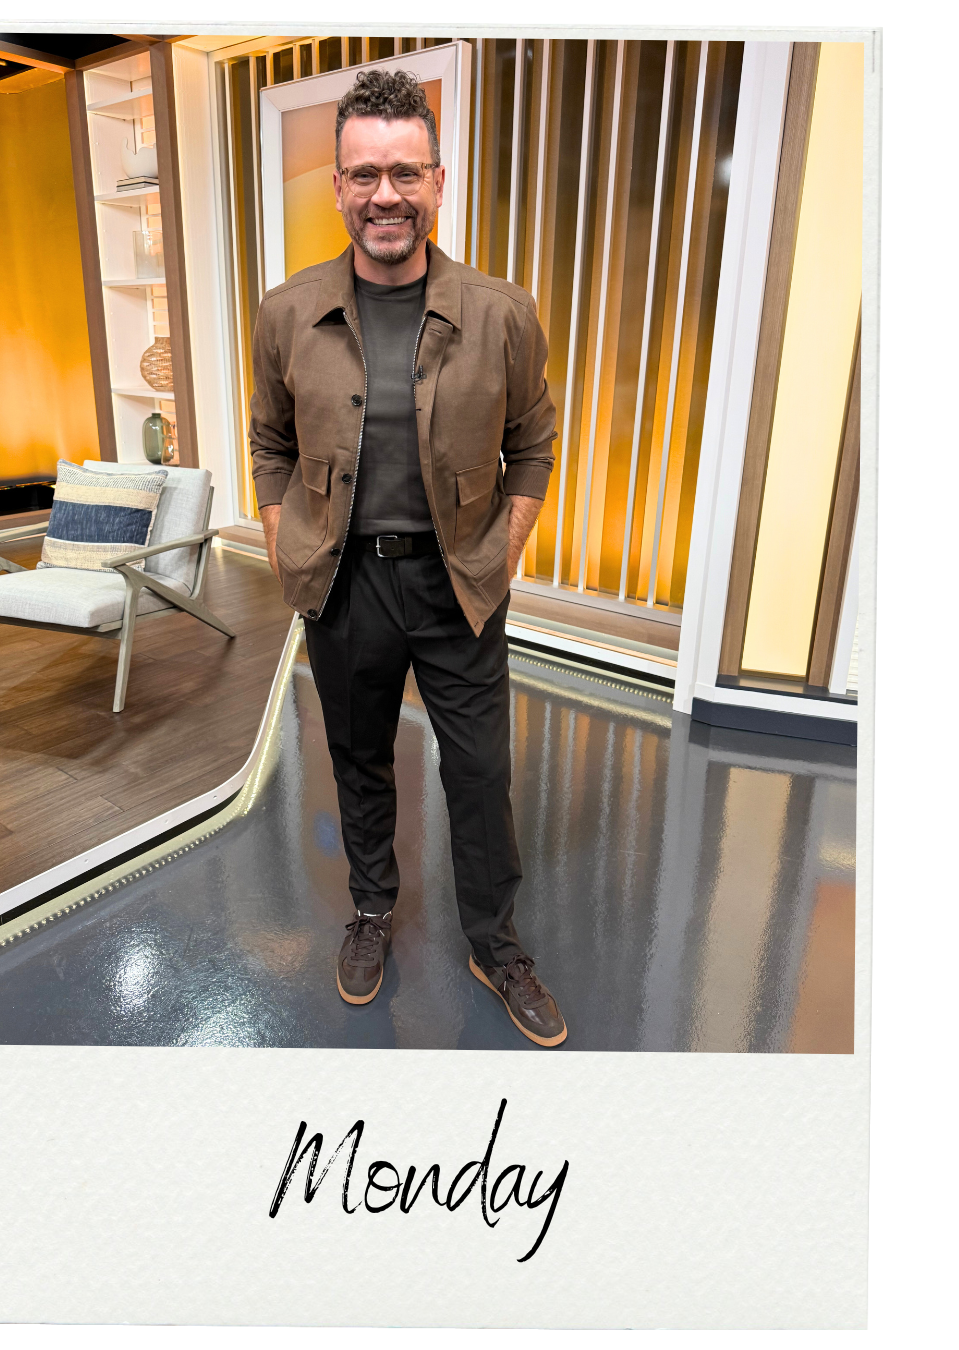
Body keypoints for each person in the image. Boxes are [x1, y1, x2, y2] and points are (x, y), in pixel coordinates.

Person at [249, 70, 566, 1047]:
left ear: (438, 181)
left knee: (478, 772)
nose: (384, 194)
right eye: (364, 175)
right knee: (359, 761)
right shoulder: (287, 312)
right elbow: (268, 442)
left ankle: (495, 944)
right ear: (338, 187)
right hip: (342, 582)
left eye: (404, 172)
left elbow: (534, 444)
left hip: (458, 579)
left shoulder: (502, 313)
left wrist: (503, 553)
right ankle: (371, 910)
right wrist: (281, 540)